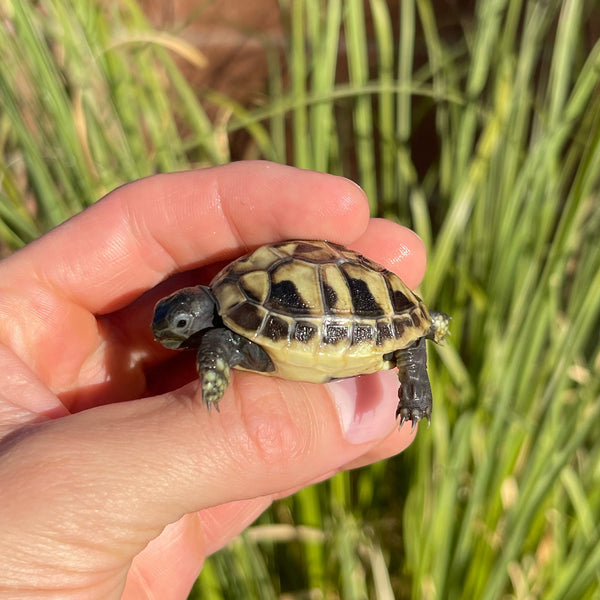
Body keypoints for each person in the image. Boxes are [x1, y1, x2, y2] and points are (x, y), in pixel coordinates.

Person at [0, 161, 427, 599]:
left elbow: (220, 344)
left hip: (341, 311)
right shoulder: (232, 290)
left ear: (200, 315)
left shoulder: (223, 330)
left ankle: (416, 373)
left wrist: (213, 381)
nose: (171, 335)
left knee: (408, 345)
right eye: (174, 324)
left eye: (182, 324)